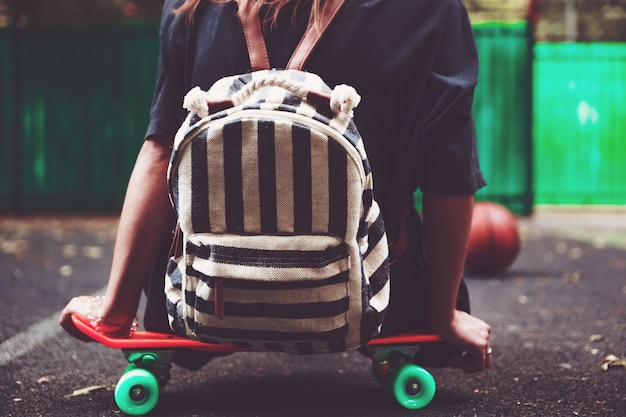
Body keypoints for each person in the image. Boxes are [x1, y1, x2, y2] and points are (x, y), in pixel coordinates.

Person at [60, 0, 492, 374]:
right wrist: (444, 314)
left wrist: (117, 310)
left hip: (204, 296)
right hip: (384, 300)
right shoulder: (432, 10)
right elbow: (448, 172)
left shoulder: (192, 8)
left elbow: (159, 153)